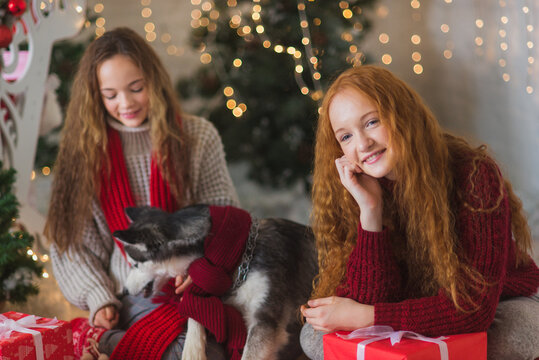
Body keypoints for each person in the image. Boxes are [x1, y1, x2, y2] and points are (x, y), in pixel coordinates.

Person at [300, 65, 539, 360]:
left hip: (496, 301)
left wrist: (366, 316)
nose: (363, 144)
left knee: (515, 336)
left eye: (372, 122)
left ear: (402, 114)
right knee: (313, 337)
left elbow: (473, 310)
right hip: (410, 307)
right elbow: (368, 297)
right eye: (346, 137)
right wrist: (371, 213)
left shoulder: (474, 175)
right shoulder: (356, 187)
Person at [45, 27, 239, 360]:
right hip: (135, 292)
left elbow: (225, 220)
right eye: (111, 95)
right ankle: (106, 340)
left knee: (249, 338)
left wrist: (202, 270)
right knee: (196, 354)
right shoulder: (86, 154)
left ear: (154, 81)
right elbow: (71, 246)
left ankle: (111, 345)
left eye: (136, 88)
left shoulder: (198, 137)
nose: (126, 103)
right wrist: (99, 298)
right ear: (95, 97)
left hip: (201, 282)